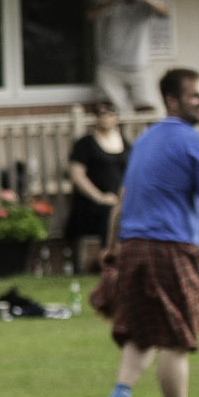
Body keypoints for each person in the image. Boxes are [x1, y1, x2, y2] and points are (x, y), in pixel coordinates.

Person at [97, 67, 199, 397]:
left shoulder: (145, 140)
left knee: (141, 329)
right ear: (172, 100)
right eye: (194, 96)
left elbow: (122, 201)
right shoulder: (197, 143)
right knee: (176, 337)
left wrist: (112, 248)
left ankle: (121, 395)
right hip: (171, 248)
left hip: (134, 246)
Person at [65, 95, 130, 275]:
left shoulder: (126, 144)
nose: (105, 117)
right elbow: (78, 177)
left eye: (110, 113)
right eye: (100, 113)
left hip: (120, 200)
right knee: (109, 210)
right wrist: (100, 197)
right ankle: (106, 257)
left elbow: (131, 176)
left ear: (116, 117)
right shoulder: (84, 144)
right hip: (91, 205)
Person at [90, 0, 170, 114]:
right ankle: (119, 136)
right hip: (110, 66)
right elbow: (91, 15)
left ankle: (147, 137)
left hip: (140, 65)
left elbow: (165, 12)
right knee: (110, 111)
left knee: (147, 109)